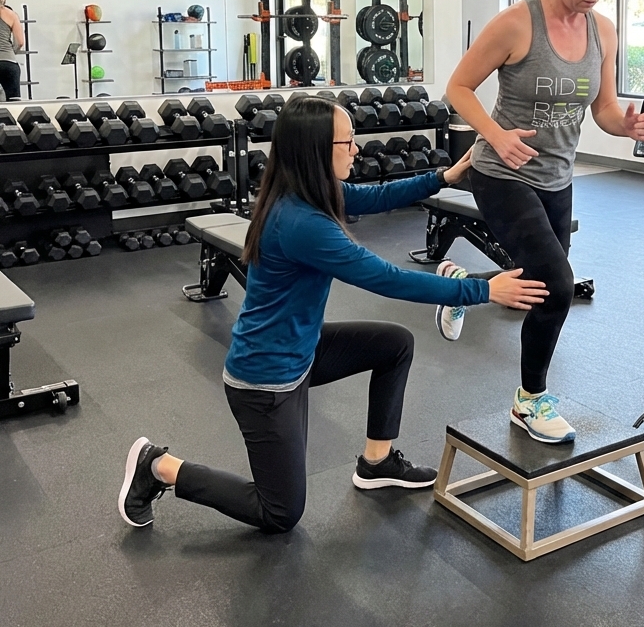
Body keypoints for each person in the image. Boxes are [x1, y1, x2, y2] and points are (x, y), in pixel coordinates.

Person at [118, 96, 547, 533]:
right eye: (348, 141)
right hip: (265, 380)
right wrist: (481, 289)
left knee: (394, 345)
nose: (356, 150)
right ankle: (160, 466)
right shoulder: (303, 222)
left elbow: (375, 195)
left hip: (301, 351)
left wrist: (443, 176)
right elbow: (385, 278)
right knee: (280, 512)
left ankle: (377, 463)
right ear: (317, 151)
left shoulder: (307, 192)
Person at [442, 0, 644, 445]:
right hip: (500, 172)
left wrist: (623, 127)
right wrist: (495, 134)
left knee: (534, 288)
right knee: (557, 285)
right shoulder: (517, 24)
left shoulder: (603, 30)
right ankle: (530, 400)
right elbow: (459, 87)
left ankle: (460, 287)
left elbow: (603, 108)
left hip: (557, 177)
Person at [0, 0, 25, 100]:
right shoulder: (12, 15)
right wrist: (11, 52)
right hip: (8, 63)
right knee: (14, 102)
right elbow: (20, 42)